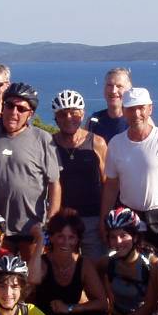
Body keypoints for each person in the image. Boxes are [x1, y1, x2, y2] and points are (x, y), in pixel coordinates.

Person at [100, 87, 158, 248]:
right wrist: (103, 221)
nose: (136, 114)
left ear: (150, 109)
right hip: (128, 219)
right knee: (133, 267)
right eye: (131, 109)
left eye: (141, 108)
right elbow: (111, 186)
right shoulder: (116, 143)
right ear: (123, 111)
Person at [0, 82, 61, 239]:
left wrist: (50, 222)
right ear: (3, 106)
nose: (13, 112)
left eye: (21, 109)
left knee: (32, 264)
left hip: (32, 227)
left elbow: (54, 184)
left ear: (30, 114)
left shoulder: (44, 139)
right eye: (9, 105)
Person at [51, 89, 108, 261]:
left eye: (74, 113)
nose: (69, 118)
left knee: (96, 268)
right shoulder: (49, 144)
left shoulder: (97, 142)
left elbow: (108, 183)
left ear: (82, 115)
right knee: (65, 267)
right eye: (63, 114)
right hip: (64, 221)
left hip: (93, 218)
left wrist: (104, 220)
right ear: (56, 118)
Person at [96, 207, 154, 315]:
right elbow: (90, 275)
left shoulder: (150, 264)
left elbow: (150, 306)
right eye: (113, 237)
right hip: (120, 313)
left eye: (123, 236)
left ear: (135, 237)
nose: (118, 241)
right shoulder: (109, 262)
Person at [86, 67, 132, 143]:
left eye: (119, 86)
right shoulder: (93, 121)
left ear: (128, 90)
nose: (113, 91)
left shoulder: (137, 120)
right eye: (109, 85)